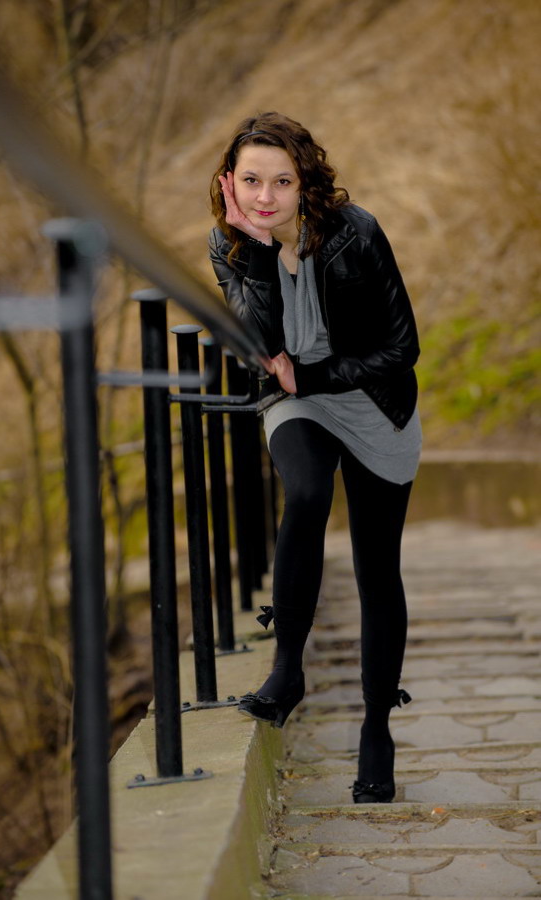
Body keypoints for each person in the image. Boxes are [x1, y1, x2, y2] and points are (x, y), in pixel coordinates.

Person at [208, 111, 421, 804]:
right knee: (304, 491)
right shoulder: (229, 244)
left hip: (373, 402)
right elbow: (260, 341)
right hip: (294, 400)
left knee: (376, 570)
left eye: (282, 182)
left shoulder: (356, 232)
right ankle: (286, 667)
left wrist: (316, 375)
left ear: (306, 185)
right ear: (229, 183)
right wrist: (257, 250)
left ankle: (376, 725)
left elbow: (403, 347)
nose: (265, 196)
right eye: (251, 181)